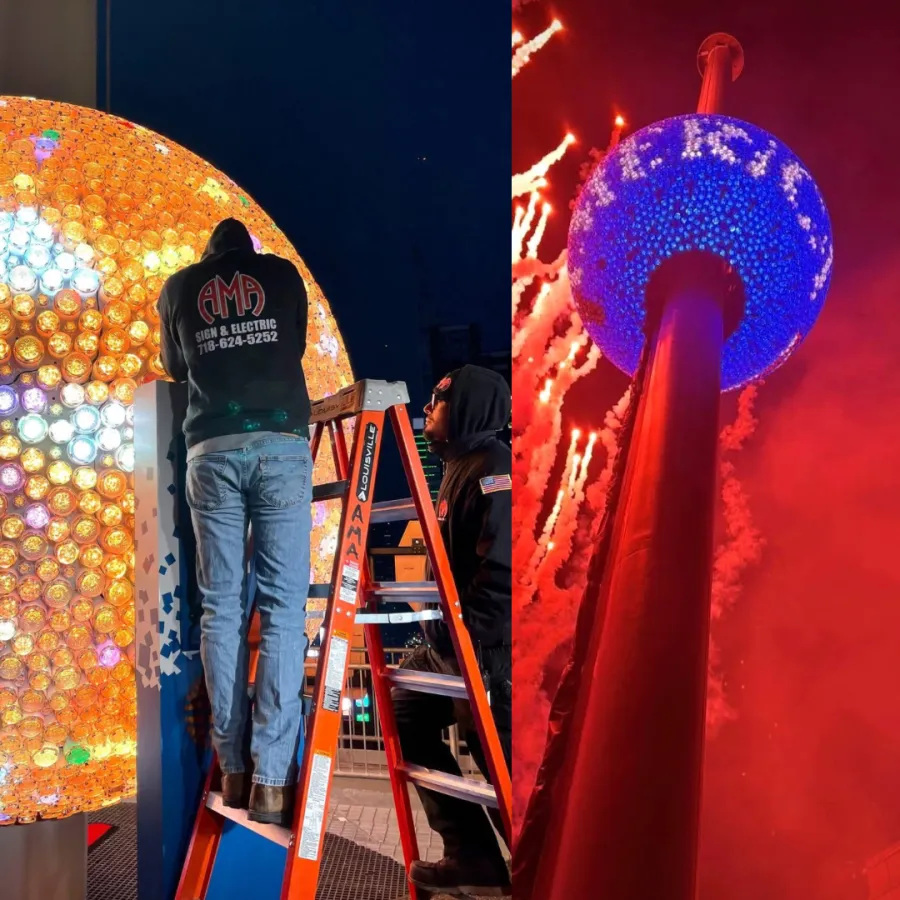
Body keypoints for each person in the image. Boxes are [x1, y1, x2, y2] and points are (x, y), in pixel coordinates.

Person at [158, 218, 313, 827]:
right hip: (279, 441)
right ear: (249, 249)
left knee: (220, 607)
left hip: (211, 448)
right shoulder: (282, 275)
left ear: (207, 252)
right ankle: (273, 778)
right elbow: (291, 349)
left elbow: (175, 366)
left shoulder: (179, 287)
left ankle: (235, 769)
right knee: (283, 610)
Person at [392, 364, 512, 896]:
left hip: (489, 651)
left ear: (464, 408)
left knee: (500, 759)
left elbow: (504, 570)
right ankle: (471, 855)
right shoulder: (462, 466)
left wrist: (471, 639)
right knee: (405, 709)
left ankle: (549, 864)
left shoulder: (495, 469)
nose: (426, 413)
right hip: (456, 643)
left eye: (436, 403)